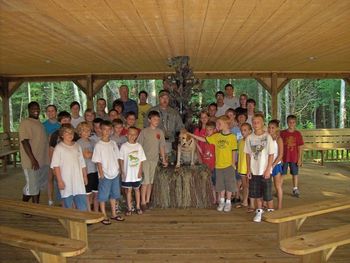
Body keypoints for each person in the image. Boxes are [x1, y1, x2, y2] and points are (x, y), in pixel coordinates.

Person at [189, 115, 237, 213]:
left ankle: (228, 202)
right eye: (217, 123)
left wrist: (233, 163)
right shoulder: (216, 136)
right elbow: (204, 139)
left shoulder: (232, 137)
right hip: (218, 165)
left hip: (228, 165)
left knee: (229, 185)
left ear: (226, 124)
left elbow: (234, 151)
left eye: (219, 124)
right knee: (220, 185)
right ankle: (222, 201)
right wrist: (191, 134)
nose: (217, 125)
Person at [92, 120, 124, 225]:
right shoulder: (98, 145)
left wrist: (119, 169)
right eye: (104, 129)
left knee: (114, 195)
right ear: (100, 130)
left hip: (115, 173)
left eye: (109, 129)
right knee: (103, 196)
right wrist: (101, 173)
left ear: (111, 130)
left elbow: (118, 157)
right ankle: (104, 214)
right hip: (105, 174)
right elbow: (98, 161)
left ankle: (114, 214)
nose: (107, 131)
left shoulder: (113, 143)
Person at [245, 113, 275, 223]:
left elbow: (271, 154)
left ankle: (271, 211)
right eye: (254, 122)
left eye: (258, 122)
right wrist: (248, 169)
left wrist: (268, 169)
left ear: (263, 123)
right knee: (256, 193)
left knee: (267, 193)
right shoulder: (249, 138)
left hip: (265, 170)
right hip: (254, 170)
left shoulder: (267, 137)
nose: (256, 124)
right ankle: (259, 210)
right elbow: (247, 154)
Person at [51, 124, 88, 211]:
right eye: (67, 133)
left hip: (78, 179)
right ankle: (71, 222)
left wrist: (85, 176)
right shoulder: (59, 148)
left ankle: (82, 221)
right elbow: (56, 166)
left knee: (82, 202)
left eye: (71, 132)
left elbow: (82, 162)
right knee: (68, 203)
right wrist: (60, 181)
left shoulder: (77, 146)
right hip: (66, 180)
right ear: (62, 135)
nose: (70, 135)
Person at [19, 101, 49, 204]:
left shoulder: (39, 122)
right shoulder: (25, 122)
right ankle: (35, 208)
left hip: (41, 160)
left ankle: (24, 205)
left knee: (35, 185)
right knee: (33, 186)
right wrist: (33, 159)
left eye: (37, 108)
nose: (36, 110)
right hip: (31, 161)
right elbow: (24, 141)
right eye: (33, 109)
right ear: (29, 110)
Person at [138, 111, 168, 211]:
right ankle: (142, 202)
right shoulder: (144, 132)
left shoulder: (160, 132)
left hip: (154, 160)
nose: (157, 121)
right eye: (154, 119)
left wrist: (163, 159)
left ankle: (147, 200)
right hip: (145, 160)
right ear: (149, 120)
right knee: (145, 182)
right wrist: (139, 161)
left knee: (150, 182)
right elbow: (139, 146)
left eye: (158, 119)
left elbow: (162, 147)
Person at [49, 111, 79, 206]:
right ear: (59, 122)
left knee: (73, 189)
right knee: (62, 190)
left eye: (68, 120)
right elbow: (51, 151)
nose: (66, 122)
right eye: (63, 120)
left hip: (73, 167)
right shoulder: (55, 135)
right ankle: (64, 208)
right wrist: (53, 168)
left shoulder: (75, 134)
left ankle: (73, 208)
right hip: (60, 167)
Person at [145, 90, 184, 162]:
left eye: (167, 98)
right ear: (159, 98)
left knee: (166, 161)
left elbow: (180, 126)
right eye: (163, 98)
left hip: (168, 141)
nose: (165, 100)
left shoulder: (174, 112)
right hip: (154, 141)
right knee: (154, 162)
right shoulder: (152, 110)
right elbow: (146, 126)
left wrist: (183, 132)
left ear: (169, 99)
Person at [119, 127, 147, 216]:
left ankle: (138, 206)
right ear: (127, 135)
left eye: (134, 134)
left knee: (137, 190)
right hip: (127, 174)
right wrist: (122, 171)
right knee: (128, 191)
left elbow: (141, 160)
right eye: (130, 134)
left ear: (137, 136)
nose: (132, 136)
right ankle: (129, 208)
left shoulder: (138, 146)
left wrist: (140, 171)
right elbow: (121, 159)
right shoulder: (124, 146)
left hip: (136, 173)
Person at [76, 122, 99, 212]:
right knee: (88, 194)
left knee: (96, 193)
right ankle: (89, 213)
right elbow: (86, 156)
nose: (86, 132)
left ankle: (96, 212)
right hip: (86, 172)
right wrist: (94, 154)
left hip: (95, 170)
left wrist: (91, 154)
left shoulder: (93, 141)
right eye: (84, 131)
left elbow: (96, 155)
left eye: (88, 130)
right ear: (80, 132)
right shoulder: (79, 143)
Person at [280, 114, 304, 198]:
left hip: (294, 157)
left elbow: (300, 147)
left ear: (295, 123)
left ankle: (295, 188)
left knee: (295, 173)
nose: (291, 124)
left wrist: (300, 158)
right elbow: (279, 145)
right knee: (282, 173)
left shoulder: (298, 134)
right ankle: (279, 188)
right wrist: (280, 157)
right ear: (287, 123)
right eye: (290, 122)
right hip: (284, 157)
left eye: (293, 122)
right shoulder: (282, 133)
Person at [195, 120, 217, 204]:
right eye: (207, 130)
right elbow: (202, 152)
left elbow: (205, 140)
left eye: (210, 130)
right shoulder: (207, 139)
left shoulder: (214, 138)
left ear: (214, 130)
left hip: (213, 164)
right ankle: (213, 199)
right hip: (206, 164)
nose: (208, 131)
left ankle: (217, 199)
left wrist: (191, 135)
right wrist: (196, 144)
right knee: (209, 182)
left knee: (215, 183)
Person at [235, 123, 252, 210]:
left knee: (249, 185)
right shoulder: (240, 141)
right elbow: (239, 154)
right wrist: (237, 163)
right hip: (242, 166)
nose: (243, 132)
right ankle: (245, 201)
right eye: (242, 130)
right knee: (245, 185)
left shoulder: (251, 141)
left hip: (249, 167)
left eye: (245, 130)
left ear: (250, 131)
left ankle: (249, 201)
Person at [268, 119, 284, 209]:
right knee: (267, 185)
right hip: (267, 164)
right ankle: (268, 203)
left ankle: (279, 205)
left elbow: (280, 154)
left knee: (277, 185)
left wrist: (273, 164)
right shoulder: (267, 138)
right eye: (269, 127)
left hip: (276, 165)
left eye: (273, 128)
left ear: (277, 129)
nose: (270, 130)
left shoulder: (279, 139)